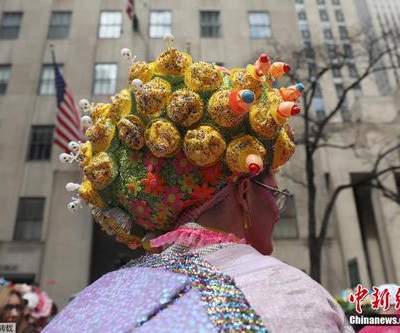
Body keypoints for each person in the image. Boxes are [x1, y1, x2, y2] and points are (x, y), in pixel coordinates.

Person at [45, 35, 352, 332]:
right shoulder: (289, 295)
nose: (277, 210)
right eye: (276, 193)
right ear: (244, 192)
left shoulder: (92, 301)